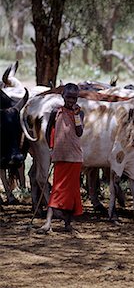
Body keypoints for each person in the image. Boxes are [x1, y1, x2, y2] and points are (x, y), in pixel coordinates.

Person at [40, 83, 84, 233]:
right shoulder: (56, 112)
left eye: (74, 98)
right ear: (62, 96)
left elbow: (79, 132)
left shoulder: (79, 113)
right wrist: (51, 148)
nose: (71, 101)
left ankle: (68, 224)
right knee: (57, 188)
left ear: (77, 98)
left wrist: (77, 115)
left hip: (75, 156)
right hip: (60, 156)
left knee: (72, 192)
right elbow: (47, 131)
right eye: (68, 97)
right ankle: (48, 222)